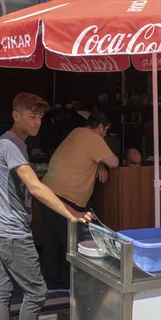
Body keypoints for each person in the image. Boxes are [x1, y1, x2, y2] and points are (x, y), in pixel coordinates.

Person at [0, 92, 91, 320]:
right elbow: (34, 186)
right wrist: (72, 213)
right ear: (16, 114)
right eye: (31, 115)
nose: (37, 121)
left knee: (3, 292)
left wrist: (64, 204)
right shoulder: (10, 144)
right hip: (11, 234)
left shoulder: (14, 143)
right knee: (37, 292)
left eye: (40, 116)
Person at [41, 111, 119, 290]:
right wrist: (103, 162)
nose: (105, 134)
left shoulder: (76, 132)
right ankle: (72, 284)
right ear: (100, 127)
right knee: (72, 242)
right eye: (105, 130)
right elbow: (114, 161)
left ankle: (51, 282)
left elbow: (91, 155)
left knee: (52, 240)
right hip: (67, 196)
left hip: (48, 192)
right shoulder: (93, 137)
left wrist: (99, 163)